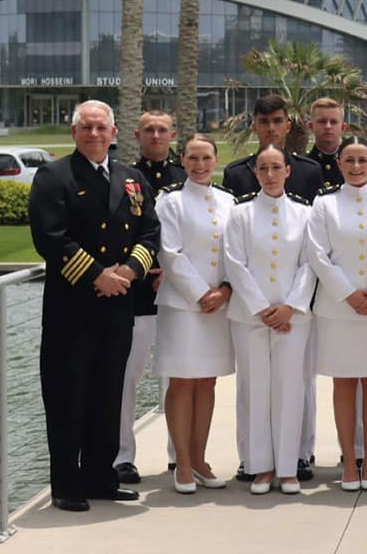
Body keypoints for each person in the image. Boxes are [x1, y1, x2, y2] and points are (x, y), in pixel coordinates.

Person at [28, 100, 161, 512]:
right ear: (74, 133)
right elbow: (50, 237)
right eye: (86, 127)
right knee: (69, 396)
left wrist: (129, 272)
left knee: (108, 394)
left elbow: (150, 232)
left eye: (101, 127)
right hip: (73, 309)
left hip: (118, 306)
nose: (94, 134)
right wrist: (97, 275)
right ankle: (67, 485)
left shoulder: (131, 178)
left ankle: (102, 477)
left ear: (114, 132)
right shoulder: (54, 176)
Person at [222, 93, 322, 483]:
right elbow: (235, 262)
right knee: (254, 389)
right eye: (262, 168)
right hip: (250, 316)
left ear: (287, 171)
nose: (269, 174)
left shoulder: (305, 213)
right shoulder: (239, 213)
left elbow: (310, 263)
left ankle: (289, 465)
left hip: (293, 316)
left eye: (275, 167)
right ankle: (259, 464)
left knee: (291, 387)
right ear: (256, 171)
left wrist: (290, 306)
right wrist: (262, 307)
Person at [306, 135, 367, 492]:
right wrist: (348, 294)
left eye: (362, 160)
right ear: (339, 164)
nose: (356, 167)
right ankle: (348, 459)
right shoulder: (324, 205)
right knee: (343, 384)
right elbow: (318, 254)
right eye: (349, 160)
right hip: (337, 309)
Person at [154, 134, 235, 494]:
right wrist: (203, 293)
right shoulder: (170, 202)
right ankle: (182, 462)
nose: (199, 165)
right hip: (184, 306)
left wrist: (225, 290)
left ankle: (200, 459)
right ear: (182, 160)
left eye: (205, 158)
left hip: (220, 304)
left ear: (216, 159)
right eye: (192, 158)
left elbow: (238, 252)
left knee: (207, 381)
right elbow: (169, 254)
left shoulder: (229, 201)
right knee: (182, 381)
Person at [115, 109, 186, 484]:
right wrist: (145, 269)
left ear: (173, 134)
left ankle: (181, 455)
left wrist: (171, 272)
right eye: (149, 130)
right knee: (129, 375)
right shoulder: (123, 178)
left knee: (177, 376)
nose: (156, 135)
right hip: (138, 293)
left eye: (162, 130)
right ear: (137, 133)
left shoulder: (185, 175)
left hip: (178, 294)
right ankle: (123, 455)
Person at [306, 97, 348, 188]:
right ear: (310, 126)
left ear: (343, 128)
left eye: (333, 122)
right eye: (322, 121)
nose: (328, 126)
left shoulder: (351, 166)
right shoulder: (300, 167)